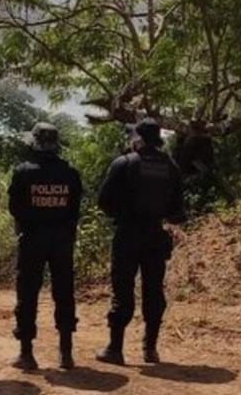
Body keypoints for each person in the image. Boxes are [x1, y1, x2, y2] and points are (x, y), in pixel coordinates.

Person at [96, 117, 185, 365]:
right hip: (156, 235)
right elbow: (178, 210)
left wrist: (123, 214)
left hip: (127, 234)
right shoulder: (171, 166)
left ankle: (115, 349)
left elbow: (103, 201)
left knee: (122, 290)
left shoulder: (123, 163)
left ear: (139, 138)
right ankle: (150, 349)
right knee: (154, 290)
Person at [8, 122, 83, 370]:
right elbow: (75, 210)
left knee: (27, 294)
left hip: (32, 240)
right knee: (64, 292)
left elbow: (14, 208)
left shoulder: (23, 172)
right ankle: (66, 353)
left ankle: (26, 354)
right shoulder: (71, 173)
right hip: (62, 241)